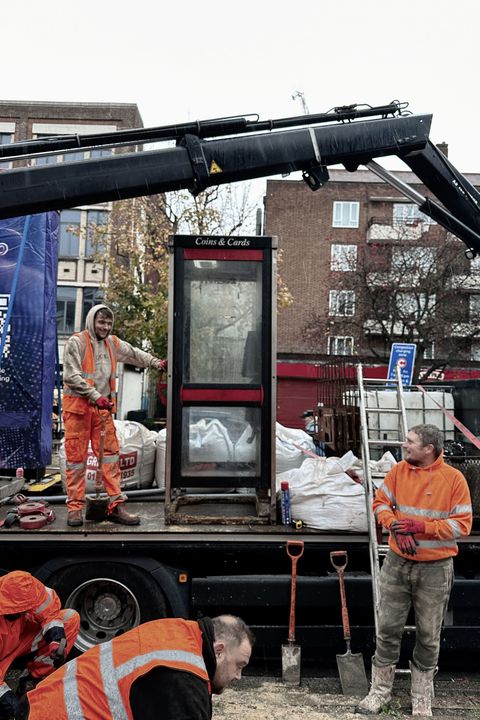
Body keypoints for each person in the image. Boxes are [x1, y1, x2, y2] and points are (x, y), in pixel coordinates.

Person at [356, 424, 472, 717]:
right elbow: (381, 503)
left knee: (429, 635)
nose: (404, 445)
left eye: (410, 442)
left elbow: (463, 525)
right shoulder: (397, 472)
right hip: (397, 563)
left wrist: (422, 528)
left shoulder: (454, 480)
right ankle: (379, 691)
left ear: (428, 449)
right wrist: (393, 525)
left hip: (435, 569)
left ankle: (422, 696)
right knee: (388, 629)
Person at [20, 614, 254, 720]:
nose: (239, 676)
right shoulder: (182, 680)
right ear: (219, 650)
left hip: (39, 705)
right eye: (239, 665)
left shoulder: (181, 632)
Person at [62, 304, 166, 527]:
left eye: (109, 323)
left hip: (101, 411)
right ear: (92, 321)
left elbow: (134, 353)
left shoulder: (113, 343)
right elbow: (71, 376)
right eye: (101, 322)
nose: (105, 327)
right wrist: (94, 395)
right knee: (76, 461)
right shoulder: (76, 342)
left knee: (110, 458)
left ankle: (116, 506)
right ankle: (75, 509)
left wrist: (156, 363)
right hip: (78, 411)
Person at [0, 571, 79, 720]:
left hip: (18, 638)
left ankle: (32, 680)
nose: (25, 611)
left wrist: (56, 641)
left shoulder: (30, 591)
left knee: (69, 618)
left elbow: (50, 613)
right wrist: (14, 706)